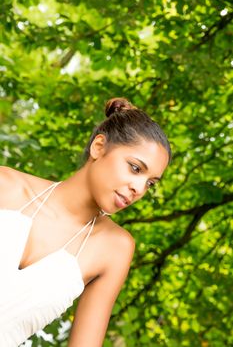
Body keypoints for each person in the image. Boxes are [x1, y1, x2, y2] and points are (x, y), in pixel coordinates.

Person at [0, 97, 171, 346]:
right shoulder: (6, 186)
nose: (139, 188)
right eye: (135, 168)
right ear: (99, 147)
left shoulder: (114, 248)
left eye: (150, 183)